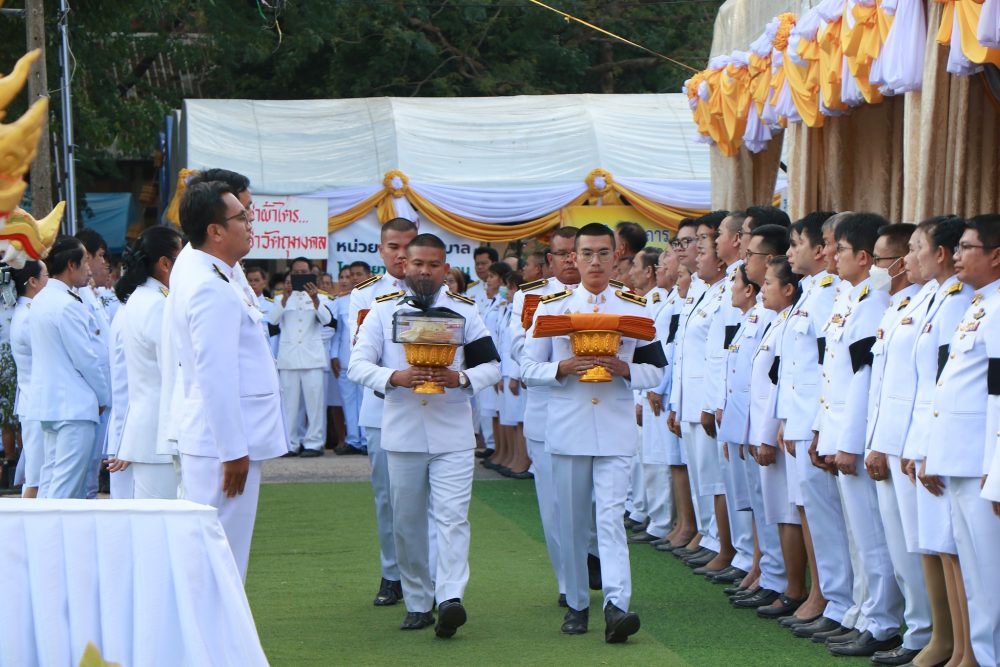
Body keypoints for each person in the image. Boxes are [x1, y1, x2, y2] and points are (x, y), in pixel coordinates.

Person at [348, 233, 501, 638]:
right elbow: (357, 365)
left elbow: (492, 367)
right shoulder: (382, 311)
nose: (425, 271)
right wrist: (394, 377)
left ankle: (450, 597)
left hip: (452, 433)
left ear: (445, 268)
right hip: (402, 433)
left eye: (434, 265)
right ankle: (418, 601)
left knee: (452, 518)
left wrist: (461, 378)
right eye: (418, 264)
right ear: (404, 265)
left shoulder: (465, 311)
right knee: (407, 522)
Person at [522, 222, 666, 643]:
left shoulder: (635, 307)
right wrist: (561, 367)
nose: (595, 261)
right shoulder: (552, 307)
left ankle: (616, 605)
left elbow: (657, 371)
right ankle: (577, 602)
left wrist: (627, 369)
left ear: (616, 256)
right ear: (574, 258)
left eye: (604, 253)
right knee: (571, 522)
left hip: (614, 428)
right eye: (586, 253)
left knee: (610, 519)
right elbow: (527, 368)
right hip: (568, 427)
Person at [167, 181, 289, 580]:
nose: (250, 224)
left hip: (218, 441)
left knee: (217, 555)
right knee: (220, 559)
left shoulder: (217, 273)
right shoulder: (210, 287)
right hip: (221, 445)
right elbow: (215, 376)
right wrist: (233, 451)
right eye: (242, 217)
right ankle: (213, 624)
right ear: (215, 231)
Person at [819, 213, 905, 657]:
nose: (833, 256)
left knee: (872, 535)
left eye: (841, 249)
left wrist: (848, 442)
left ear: (865, 257)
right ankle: (861, 613)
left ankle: (882, 621)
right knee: (858, 535)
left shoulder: (872, 303)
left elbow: (862, 378)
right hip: (839, 428)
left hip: (855, 433)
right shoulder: (853, 297)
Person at [925, 214, 1000, 666]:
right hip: (960, 459)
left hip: (982, 464)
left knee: (990, 579)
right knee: (975, 579)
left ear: (995, 256)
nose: (956, 255)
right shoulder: (977, 304)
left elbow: (999, 394)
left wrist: (997, 470)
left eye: (967, 247)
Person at [902, 216, 975, 667]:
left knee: (954, 549)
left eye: (916, 247)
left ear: (940, 254)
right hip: (928, 439)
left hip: (949, 443)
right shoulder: (935, 298)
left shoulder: (959, 303)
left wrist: (928, 448)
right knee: (939, 546)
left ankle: (964, 649)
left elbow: (948, 387)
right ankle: (951, 644)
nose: (909, 257)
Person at [862, 223, 934, 664]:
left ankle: (925, 634)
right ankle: (917, 630)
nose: (905, 261)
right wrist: (875, 441)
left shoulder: (935, 304)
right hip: (889, 441)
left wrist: (903, 445)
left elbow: (920, 387)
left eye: (882, 259)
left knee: (917, 546)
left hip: (909, 443)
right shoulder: (898, 306)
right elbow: (883, 387)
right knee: (901, 546)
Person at [508, 226, 583, 606]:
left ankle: (594, 562)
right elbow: (518, 349)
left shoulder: (607, 296)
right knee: (554, 505)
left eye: (575, 252)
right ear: (549, 260)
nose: (570, 259)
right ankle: (569, 581)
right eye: (563, 253)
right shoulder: (531, 297)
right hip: (548, 407)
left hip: (594, 410)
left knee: (596, 504)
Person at [348, 217, 419, 607]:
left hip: (430, 406)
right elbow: (361, 354)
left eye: (409, 246)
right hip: (383, 406)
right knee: (388, 497)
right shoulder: (366, 296)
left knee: (428, 499)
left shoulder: (437, 289)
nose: (402, 254)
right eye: (394, 247)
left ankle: (427, 575)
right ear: (381, 250)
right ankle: (392, 573)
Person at [26, 236, 109, 499]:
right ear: (71, 265)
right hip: (74, 407)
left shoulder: (41, 299)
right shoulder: (68, 304)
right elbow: (86, 360)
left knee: (51, 481)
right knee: (66, 491)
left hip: (50, 404)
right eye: (84, 262)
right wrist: (103, 397)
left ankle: (42, 527)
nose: (88, 268)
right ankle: (51, 528)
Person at [114, 226, 184, 499]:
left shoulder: (142, 297)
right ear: (165, 263)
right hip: (160, 431)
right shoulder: (158, 303)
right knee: (164, 518)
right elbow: (173, 369)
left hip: (150, 429)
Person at [269, 257, 335, 458]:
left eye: (303, 272)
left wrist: (315, 300)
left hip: (312, 358)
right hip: (288, 358)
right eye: (296, 273)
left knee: (315, 404)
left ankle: (314, 443)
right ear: (289, 274)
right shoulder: (281, 297)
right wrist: (284, 298)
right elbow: (272, 321)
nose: (299, 276)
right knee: (289, 405)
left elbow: (327, 320)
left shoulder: (321, 298)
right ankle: (290, 443)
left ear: (311, 274)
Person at [75, 227, 113, 499]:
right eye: (100, 255)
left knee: (90, 471)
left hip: (101, 394)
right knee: (83, 474)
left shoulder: (89, 294)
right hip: (91, 396)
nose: (103, 262)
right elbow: (88, 353)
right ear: (86, 256)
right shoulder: (76, 296)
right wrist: (100, 394)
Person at [9, 260, 48, 498]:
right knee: (36, 480)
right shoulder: (28, 317)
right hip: (35, 403)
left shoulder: (27, 313)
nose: (49, 281)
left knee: (40, 476)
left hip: (35, 402)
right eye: (46, 276)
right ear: (32, 282)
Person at [330, 266, 365, 455]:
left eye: (359, 274)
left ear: (368, 276)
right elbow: (337, 333)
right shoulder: (341, 301)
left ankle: (366, 440)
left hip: (367, 359)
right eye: (352, 275)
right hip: (345, 358)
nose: (354, 278)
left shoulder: (374, 299)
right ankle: (353, 440)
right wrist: (333, 355)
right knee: (348, 401)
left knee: (366, 401)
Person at [245, 265, 279, 357]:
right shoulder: (241, 304)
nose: (253, 283)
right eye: (250, 281)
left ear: (264, 283)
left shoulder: (273, 306)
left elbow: (275, 336)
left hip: (268, 352)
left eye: (256, 280)